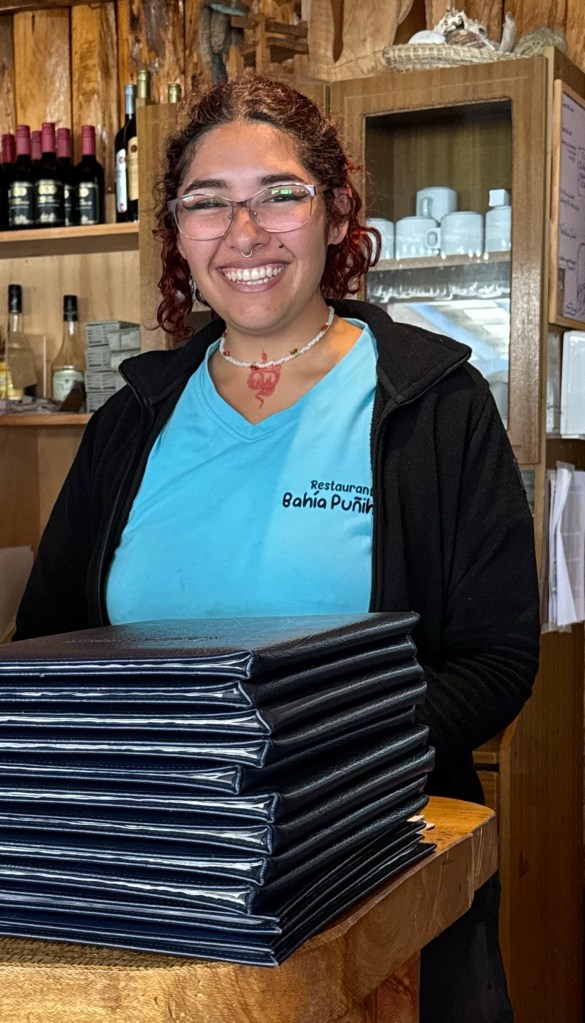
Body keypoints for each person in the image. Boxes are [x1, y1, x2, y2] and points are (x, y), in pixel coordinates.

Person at [14, 73, 540, 1021]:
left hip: (369, 864)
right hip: (149, 883)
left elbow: (495, 657)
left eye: (279, 195)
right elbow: (49, 647)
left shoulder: (433, 403)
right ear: (177, 233)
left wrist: (316, 774)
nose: (244, 233)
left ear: (336, 214)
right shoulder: (132, 418)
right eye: (207, 202)